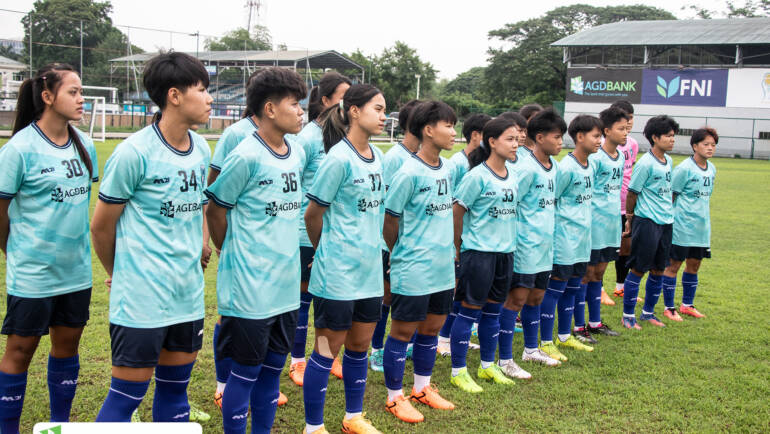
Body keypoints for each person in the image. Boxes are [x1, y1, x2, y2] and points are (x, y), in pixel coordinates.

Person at [91, 52, 212, 422]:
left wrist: (203, 241)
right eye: (203, 90)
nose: (210, 99)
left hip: (187, 295)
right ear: (174, 96)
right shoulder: (134, 153)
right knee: (126, 398)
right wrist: (120, 271)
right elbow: (100, 226)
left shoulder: (202, 149)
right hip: (142, 299)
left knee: (176, 394)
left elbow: (201, 205)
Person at [205, 67, 307, 434]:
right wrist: (230, 251)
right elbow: (216, 209)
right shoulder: (246, 155)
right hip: (249, 289)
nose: (300, 112)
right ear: (269, 108)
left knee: (271, 374)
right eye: (294, 104)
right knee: (244, 374)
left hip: (285, 286)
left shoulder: (295, 152)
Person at [0, 63, 97, 433]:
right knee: (20, 352)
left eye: (81, 91)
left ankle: (59, 425)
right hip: (33, 274)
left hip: (75, 271)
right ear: (47, 97)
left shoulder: (83, 144)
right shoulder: (19, 149)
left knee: (67, 348)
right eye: (73, 91)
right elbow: (1, 213)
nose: (81, 98)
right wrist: (16, 252)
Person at [302, 84, 387, 434]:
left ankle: (353, 417)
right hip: (336, 276)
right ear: (354, 111)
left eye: (385, 110)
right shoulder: (337, 158)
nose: (384, 116)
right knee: (325, 350)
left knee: (359, 347)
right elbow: (313, 214)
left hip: (369, 273)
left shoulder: (378, 157)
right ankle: (313, 426)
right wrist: (327, 251)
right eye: (378, 109)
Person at [381, 101, 457, 422]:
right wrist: (400, 252)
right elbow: (389, 219)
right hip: (413, 266)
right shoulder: (408, 172)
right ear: (428, 130)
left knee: (432, 328)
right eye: (448, 126)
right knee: (402, 332)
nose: (454, 132)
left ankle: (422, 388)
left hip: (443, 267)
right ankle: (394, 397)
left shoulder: (448, 168)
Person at [449, 116, 529, 394]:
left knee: (494, 312)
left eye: (517, 139)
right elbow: (456, 213)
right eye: (510, 139)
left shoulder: (514, 177)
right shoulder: (476, 177)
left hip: (505, 255)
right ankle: (458, 371)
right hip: (478, 255)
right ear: (492, 142)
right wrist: (458, 248)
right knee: (469, 313)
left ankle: (486, 365)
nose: (516, 143)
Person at [290, 71, 351, 385]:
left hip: (337, 235)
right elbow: (294, 185)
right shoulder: (308, 138)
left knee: (329, 303)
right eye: (343, 96)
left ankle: (327, 356)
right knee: (304, 300)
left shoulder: (345, 138)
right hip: (307, 232)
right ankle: (298, 360)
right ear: (326, 101)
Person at [503, 108, 566, 367]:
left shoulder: (555, 168)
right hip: (525, 245)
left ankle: (531, 349)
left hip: (545, 244)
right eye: (557, 137)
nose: (561, 142)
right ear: (539, 138)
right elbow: (512, 205)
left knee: (537, 298)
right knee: (516, 299)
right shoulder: (526, 168)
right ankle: (505, 358)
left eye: (562, 137)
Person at [537, 114, 601, 362]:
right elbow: (552, 202)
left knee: (574, 288)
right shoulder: (565, 168)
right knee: (555, 290)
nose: (599, 141)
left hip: (583, 239)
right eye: (596, 136)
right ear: (580, 137)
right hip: (564, 238)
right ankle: (545, 341)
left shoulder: (591, 165)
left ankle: (565, 335)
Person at [369, 98, 422, 372]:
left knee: (407, 295)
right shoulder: (394, 158)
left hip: (414, 243)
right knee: (387, 296)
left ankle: (406, 343)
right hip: (389, 241)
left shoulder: (423, 158)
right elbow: (385, 204)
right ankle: (376, 349)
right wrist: (390, 243)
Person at [436, 112, 491, 357]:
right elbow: (452, 205)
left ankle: (451, 336)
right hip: (457, 238)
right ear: (477, 135)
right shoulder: (457, 164)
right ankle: (442, 338)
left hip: (472, 238)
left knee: (463, 292)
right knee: (455, 290)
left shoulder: (480, 162)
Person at [575, 107, 629, 342]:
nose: (626, 133)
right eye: (621, 129)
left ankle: (595, 322)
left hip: (611, 223)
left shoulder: (622, 156)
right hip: (593, 224)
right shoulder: (595, 159)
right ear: (607, 131)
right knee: (586, 274)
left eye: (627, 128)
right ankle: (578, 326)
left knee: (599, 273)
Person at [621, 115, 679, 329]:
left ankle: (648, 313)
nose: (672, 140)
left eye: (674, 136)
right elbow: (632, 193)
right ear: (655, 137)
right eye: (668, 136)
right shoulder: (645, 163)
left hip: (666, 222)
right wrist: (630, 219)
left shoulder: (669, 161)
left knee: (658, 269)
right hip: (647, 222)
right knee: (638, 268)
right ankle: (627, 316)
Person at [662, 128, 717, 319]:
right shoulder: (684, 169)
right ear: (695, 146)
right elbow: (671, 196)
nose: (710, 148)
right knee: (673, 266)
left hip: (701, 228)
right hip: (681, 226)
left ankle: (687, 305)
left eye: (713, 145)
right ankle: (669, 308)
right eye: (706, 144)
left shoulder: (712, 168)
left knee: (694, 265)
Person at [612, 100, 640, 303]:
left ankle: (620, 287)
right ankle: (597, 289)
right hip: (608, 205)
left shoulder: (634, 144)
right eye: (624, 119)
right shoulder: (606, 145)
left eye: (630, 118)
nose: (628, 122)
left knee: (626, 247)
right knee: (602, 250)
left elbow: (632, 171)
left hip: (626, 205)